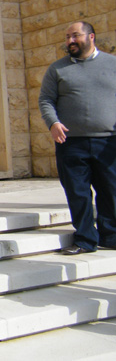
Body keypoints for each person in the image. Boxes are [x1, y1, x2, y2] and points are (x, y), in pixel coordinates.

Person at [39, 21, 116, 255]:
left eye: (75, 36)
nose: (70, 41)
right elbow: (46, 100)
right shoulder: (57, 69)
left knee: (111, 191)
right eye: (67, 37)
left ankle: (111, 236)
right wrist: (53, 123)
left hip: (109, 141)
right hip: (71, 143)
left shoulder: (112, 64)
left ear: (91, 36)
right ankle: (84, 239)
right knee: (78, 193)